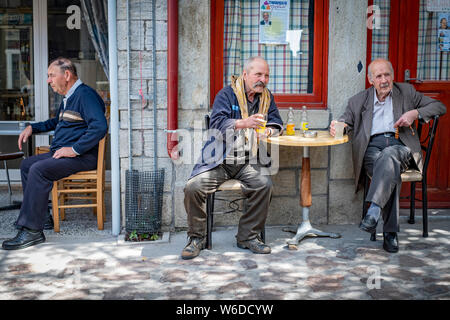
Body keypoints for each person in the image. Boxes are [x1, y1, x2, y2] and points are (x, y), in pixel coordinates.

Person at [329, 58, 446, 253]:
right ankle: (390, 233)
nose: (384, 80)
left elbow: (439, 107)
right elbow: (344, 123)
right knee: (388, 169)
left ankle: (373, 211)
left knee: (390, 155)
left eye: (387, 75)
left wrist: (414, 113)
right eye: (379, 76)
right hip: (371, 149)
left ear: (392, 76)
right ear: (370, 80)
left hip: (402, 147)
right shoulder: (358, 101)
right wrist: (337, 126)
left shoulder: (406, 93)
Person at [182, 56, 283, 259]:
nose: (262, 79)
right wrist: (243, 123)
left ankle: (248, 236)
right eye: (258, 74)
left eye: (266, 75)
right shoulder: (227, 95)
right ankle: (197, 238)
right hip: (220, 160)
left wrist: (269, 132)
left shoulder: (267, 97)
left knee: (264, 185)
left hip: (248, 160)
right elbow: (216, 125)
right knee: (193, 187)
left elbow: (276, 123)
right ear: (245, 75)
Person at [2, 57, 108, 250]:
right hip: (65, 154)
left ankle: (32, 231)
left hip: (82, 157)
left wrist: (74, 149)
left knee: (39, 170)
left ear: (66, 75)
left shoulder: (85, 95)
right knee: (27, 165)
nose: (48, 80)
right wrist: (32, 128)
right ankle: (42, 218)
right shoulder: (69, 98)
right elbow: (55, 123)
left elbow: (100, 126)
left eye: (51, 75)